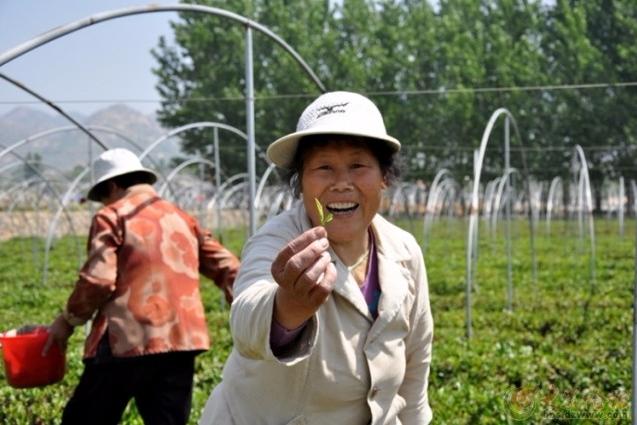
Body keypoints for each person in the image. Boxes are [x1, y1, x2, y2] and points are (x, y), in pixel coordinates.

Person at [200, 91, 433, 424]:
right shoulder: (278, 241)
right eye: (324, 168)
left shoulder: (404, 251)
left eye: (358, 166)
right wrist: (286, 308)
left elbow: (416, 361)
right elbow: (246, 321)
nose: (341, 184)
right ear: (301, 182)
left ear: (384, 176)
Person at [43, 148, 240, 425]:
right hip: (181, 340)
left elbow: (99, 280)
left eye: (102, 198)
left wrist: (68, 320)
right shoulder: (182, 218)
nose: (103, 205)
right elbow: (229, 268)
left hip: (126, 340)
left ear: (111, 186)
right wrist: (255, 313)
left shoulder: (112, 216)